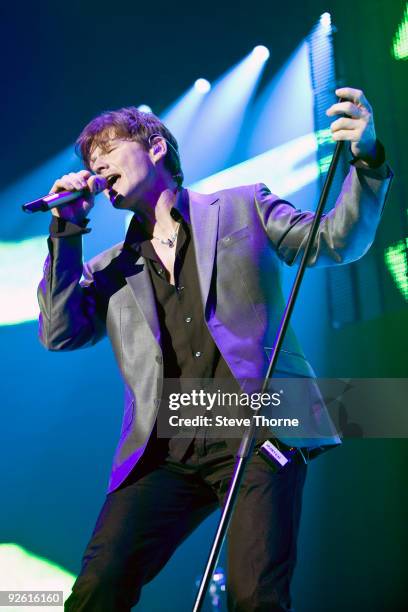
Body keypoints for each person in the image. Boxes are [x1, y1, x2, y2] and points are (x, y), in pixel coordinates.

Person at [38, 87, 392, 611]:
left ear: (155, 148)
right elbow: (60, 332)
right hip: (166, 447)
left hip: (257, 426)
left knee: (254, 596)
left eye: (108, 151)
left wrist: (367, 159)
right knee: (98, 588)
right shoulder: (111, 267)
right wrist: (66, 231)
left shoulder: (242, 206)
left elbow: (337, 240)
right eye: (91, 160)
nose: (97, 165)